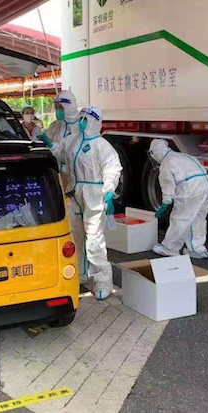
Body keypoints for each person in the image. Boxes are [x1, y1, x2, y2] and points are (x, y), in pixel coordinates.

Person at [39, 106, 123, 300]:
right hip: (75, 191)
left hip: (94, 194)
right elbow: (61, 152)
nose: (82, 122)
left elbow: (112, 169)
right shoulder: (74, 140)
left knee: (94, 238)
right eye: (82, 118)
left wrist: (109, 193)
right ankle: (79, 274)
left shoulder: (101, 146)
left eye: (86, 119)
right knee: (75, 234)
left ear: (95, 122)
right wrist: (49, 143)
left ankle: (103, 281)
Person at [148, 139, 208, 259]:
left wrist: (164, 204)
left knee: (180, 218)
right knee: (198, 217)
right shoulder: (182, 156)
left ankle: (170, 248)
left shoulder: (166, 164)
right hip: (206, 183)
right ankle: (196, 249)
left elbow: (168, 189)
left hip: (191, 188)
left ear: (154, 153)